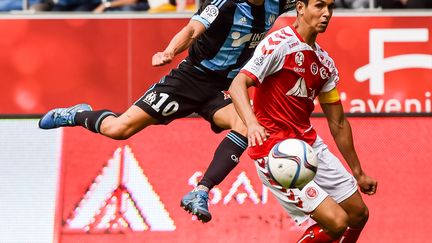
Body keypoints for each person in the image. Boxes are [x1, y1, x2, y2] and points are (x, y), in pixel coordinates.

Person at [38, 0, 296, 223]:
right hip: (189, 79)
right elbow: (193, 28)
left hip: (227, 86)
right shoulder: (223, 3)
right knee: (118, 129)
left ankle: (201, 191)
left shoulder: (280, 3)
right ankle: (77, 114)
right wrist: (169, 52)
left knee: (245, 125)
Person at [228, 0, 377, 242]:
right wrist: (252, 123)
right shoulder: (278, 44)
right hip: (274, 151)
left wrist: (358, 173)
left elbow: (338, 122)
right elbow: (237, 84)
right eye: (319, 6)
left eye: (330, 7)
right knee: (337, 223)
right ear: (300, 7)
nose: (326, 14)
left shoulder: (325, 64)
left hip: (308, 146)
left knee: (358, 214)